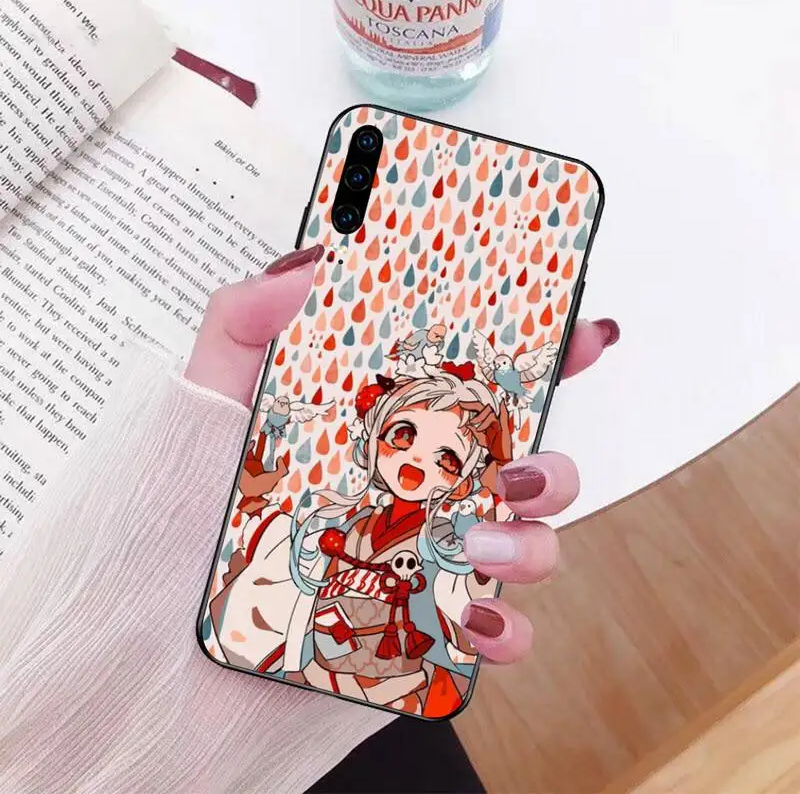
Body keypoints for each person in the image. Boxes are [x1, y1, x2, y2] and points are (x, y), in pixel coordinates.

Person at [0, 245, 620, 793]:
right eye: (404, 435)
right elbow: (297, 569)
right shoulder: (330, 510)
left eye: (446, 457)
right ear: (376, 434)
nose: (415, 463)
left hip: (375, 668)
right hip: (309, 652)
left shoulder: (443, 533)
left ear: (462, 477)